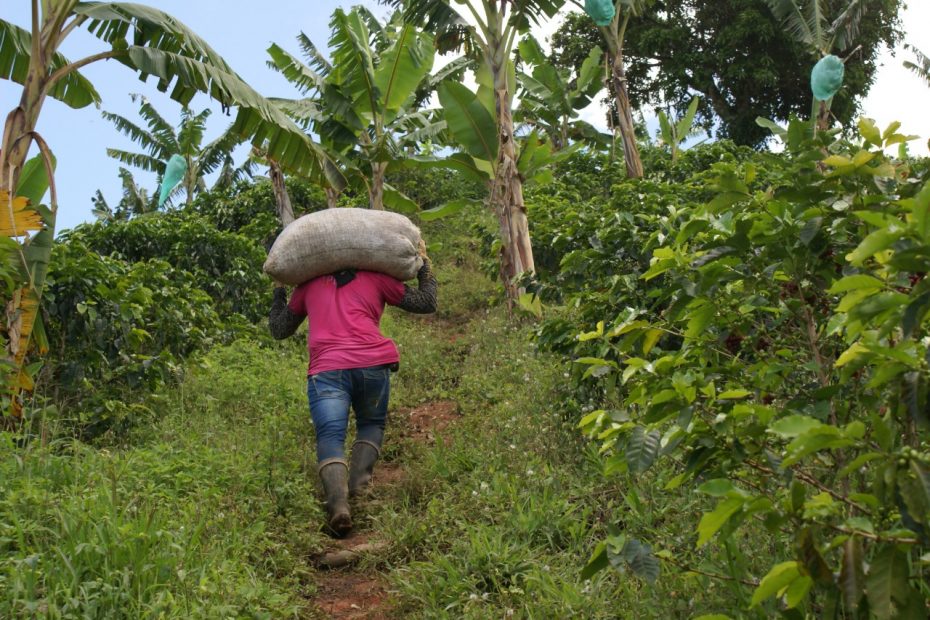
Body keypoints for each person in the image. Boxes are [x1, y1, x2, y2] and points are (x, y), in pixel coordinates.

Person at [268, 247, 437, 536]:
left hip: (327, 371)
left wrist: (278, 292)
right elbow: (426, 302)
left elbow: (279, 328)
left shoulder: (307, 286)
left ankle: (339, 506)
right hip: (373, 365)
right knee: (371, 424)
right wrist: (424, 268)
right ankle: (359, 486)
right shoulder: (376, 278)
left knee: (330, 436)